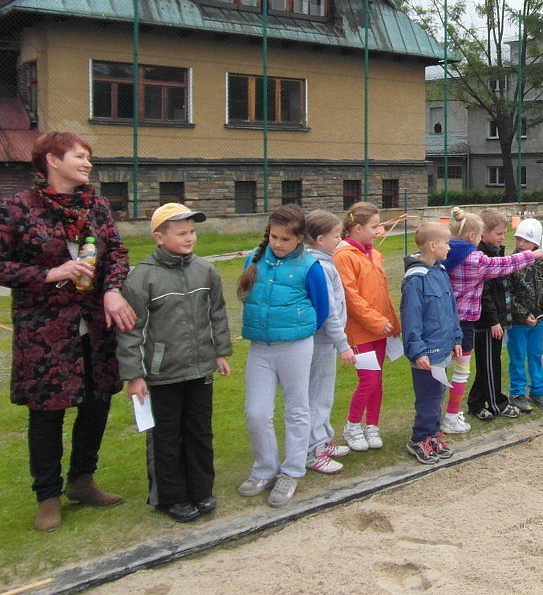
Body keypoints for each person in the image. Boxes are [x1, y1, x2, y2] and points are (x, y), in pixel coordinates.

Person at [0, 131, 136, 532]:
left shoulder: (95, 205)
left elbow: (116, 252)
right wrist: (49, 273)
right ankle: (47, 496)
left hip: (94, 324)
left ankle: (82, 481)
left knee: (96, 402)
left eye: (88, 156)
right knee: (48, 412)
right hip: (45, 328)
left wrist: (112, 290)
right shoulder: (18, 208)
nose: (87, 163)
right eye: (79, 156)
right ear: (52, 160)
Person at [118, 203, 231, 522]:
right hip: (162, 373)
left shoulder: (206, 271)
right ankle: (171, 496)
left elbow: (217, 314)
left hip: (200, 369)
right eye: (181, 233)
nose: (189, 237)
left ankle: (201, 489)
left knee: (199, 432)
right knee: (166, 436)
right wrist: (134, 375)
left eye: (192, 231)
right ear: (159, 237)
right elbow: (131, 329)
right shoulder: (142, 277)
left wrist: (220, 352)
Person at [237, 205, 331, 508]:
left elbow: (321, 307)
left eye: (285, 240)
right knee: (256, 411)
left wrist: (297, 329)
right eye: (274, 237)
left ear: (299, 239)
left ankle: (292, 470)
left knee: (296, 408)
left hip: (295, 346)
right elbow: (249, 297)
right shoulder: (254, 259)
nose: (278, 244)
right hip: (260, 347)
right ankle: (265, 468)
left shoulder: (310, 266)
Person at [444, 207, 542, 433]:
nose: (502, 237)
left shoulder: (449, 252)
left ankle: (470, 406)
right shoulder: (475, 258)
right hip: (473, 322)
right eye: (497, 233)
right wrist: (532, 255)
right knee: (473, 367)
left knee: (463, 369)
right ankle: (491, 404)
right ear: (474, 235)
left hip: (462, 320)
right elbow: (501, 268)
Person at [334, 202, 399, 454]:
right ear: (357, 228)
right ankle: (352, 426)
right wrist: (377, 321)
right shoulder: (343, 256)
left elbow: (382, 292)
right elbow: (351, 297)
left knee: (377, 380)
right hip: (359, 331)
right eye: (374, 226)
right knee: (368, 379)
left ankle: (372, 425)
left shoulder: (374, 253)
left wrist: (391, 323)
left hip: (379, 330)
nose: (379, 230)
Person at [400, 222, 464, 465]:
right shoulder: (416, 280)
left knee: (438, 394)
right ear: (432, 245)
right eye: (447, 243)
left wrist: (456, 337)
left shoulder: (440, 272)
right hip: (426, 352)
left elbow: (450, 309)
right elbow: (411, 318)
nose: (450, 247)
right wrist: (417, 351)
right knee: (428, 397)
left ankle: (432, 435)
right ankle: (419, 438)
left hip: (442, 347)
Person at [303, 210, 357, 474]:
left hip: (326, 342)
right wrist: (342, 343)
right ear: (320, 239)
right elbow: (329, 311)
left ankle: (322, 439)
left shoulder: (325, 262)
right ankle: (312, 450)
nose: (340, 240)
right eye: (336, 236)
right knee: (316, 395)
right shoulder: (321, 267)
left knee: (324, 394)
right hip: (321, 341)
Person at [467, 209, 522, 421]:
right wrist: (493, 321)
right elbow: (485, 294)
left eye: (504, 233)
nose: (502, 237)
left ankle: (475, 402)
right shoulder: (482, 257)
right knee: (490, 364)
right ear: (484, 233)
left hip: (497, 318)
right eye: (498, 233)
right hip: (486, 322)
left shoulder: (497, 252)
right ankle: (497, 402)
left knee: (488, 363)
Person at [506, 218, 543, 412]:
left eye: (526, 241)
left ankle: (538, 390)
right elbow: (508, 294)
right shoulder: (512, 262)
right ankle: (517, 392)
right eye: (518, 239)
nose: (520, 244)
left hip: (539, 319)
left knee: (536, 355)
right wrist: (523, 314)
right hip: (519, 322)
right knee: (517, 356)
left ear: (535, 243)